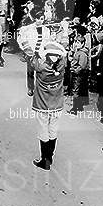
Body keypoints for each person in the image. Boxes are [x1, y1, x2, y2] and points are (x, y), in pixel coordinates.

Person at [30, 42, 66, 170]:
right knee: (53, 131)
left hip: (42, 106)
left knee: (43, 132)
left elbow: (32, 58)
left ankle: (45, 160)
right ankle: (50, 157)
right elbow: (63, 56)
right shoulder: (62, 66)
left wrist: (38, 50)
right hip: (57, 105)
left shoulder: (41, 68)